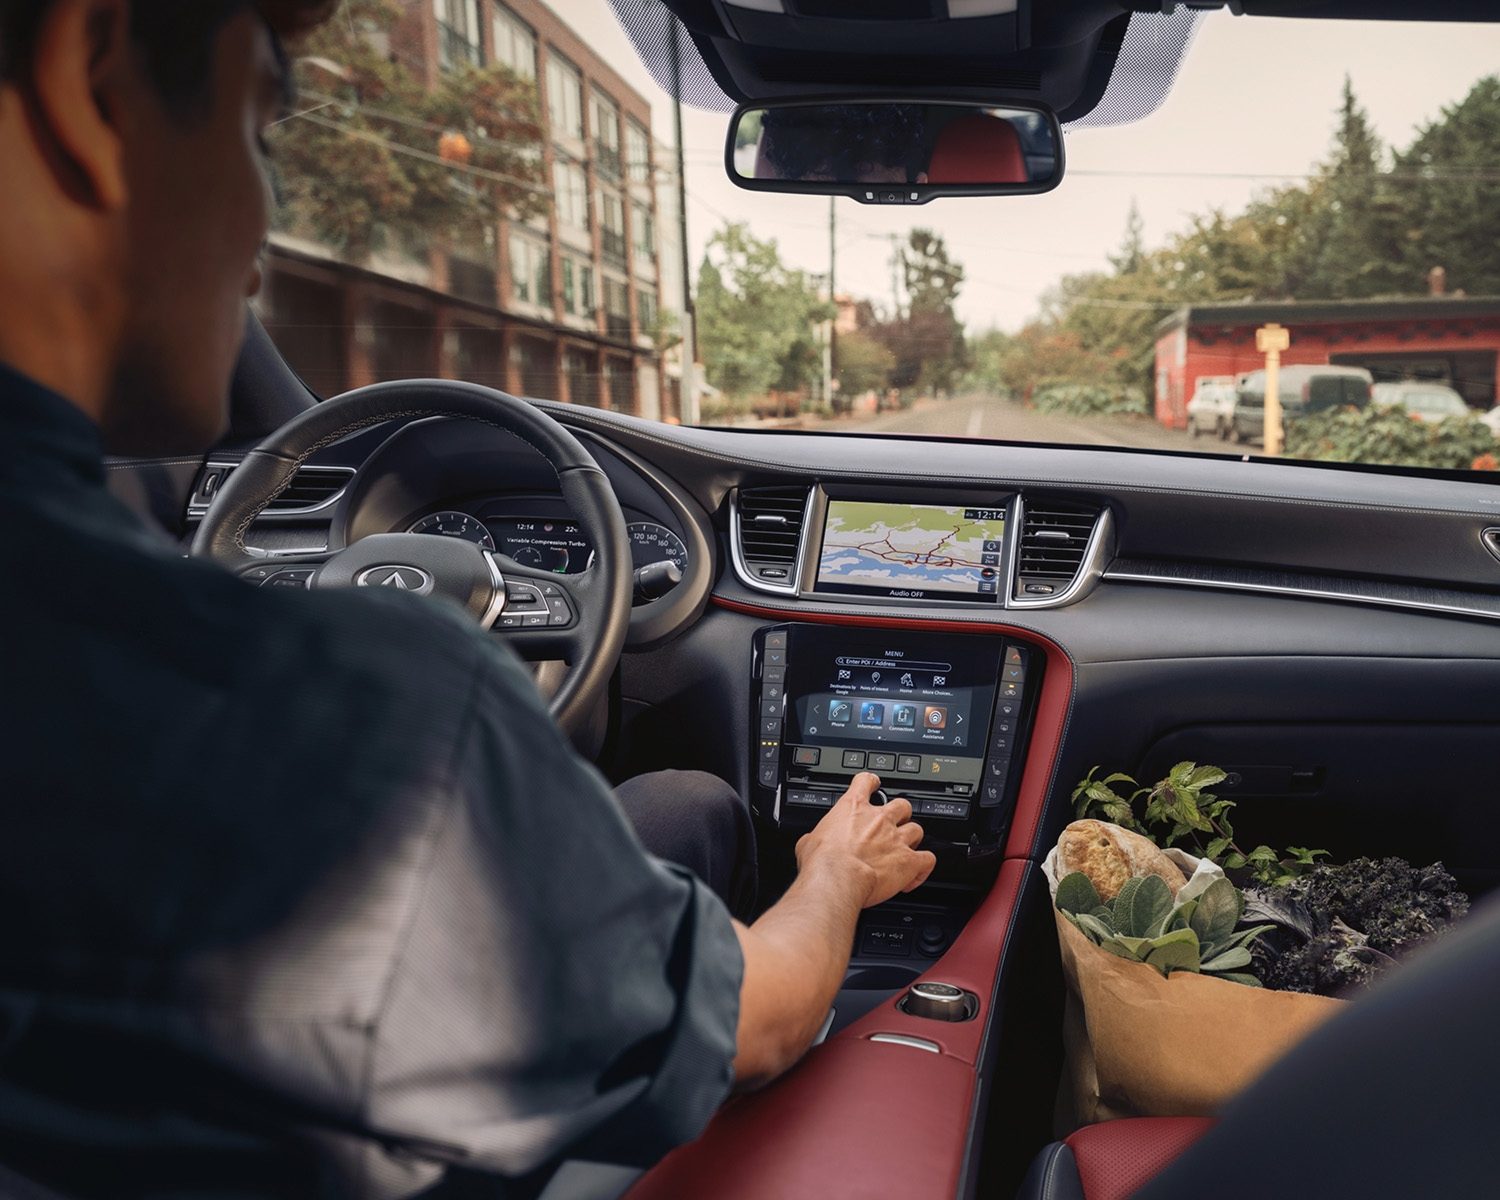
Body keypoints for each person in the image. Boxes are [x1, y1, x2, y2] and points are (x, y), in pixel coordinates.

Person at [0, 2, 937, 1197]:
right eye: (261, 126)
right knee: (708, 835)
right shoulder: (376, 734)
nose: (262, 231)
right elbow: (765, 1025)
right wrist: (840, 874)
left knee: (683, 808)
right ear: (92, 77)